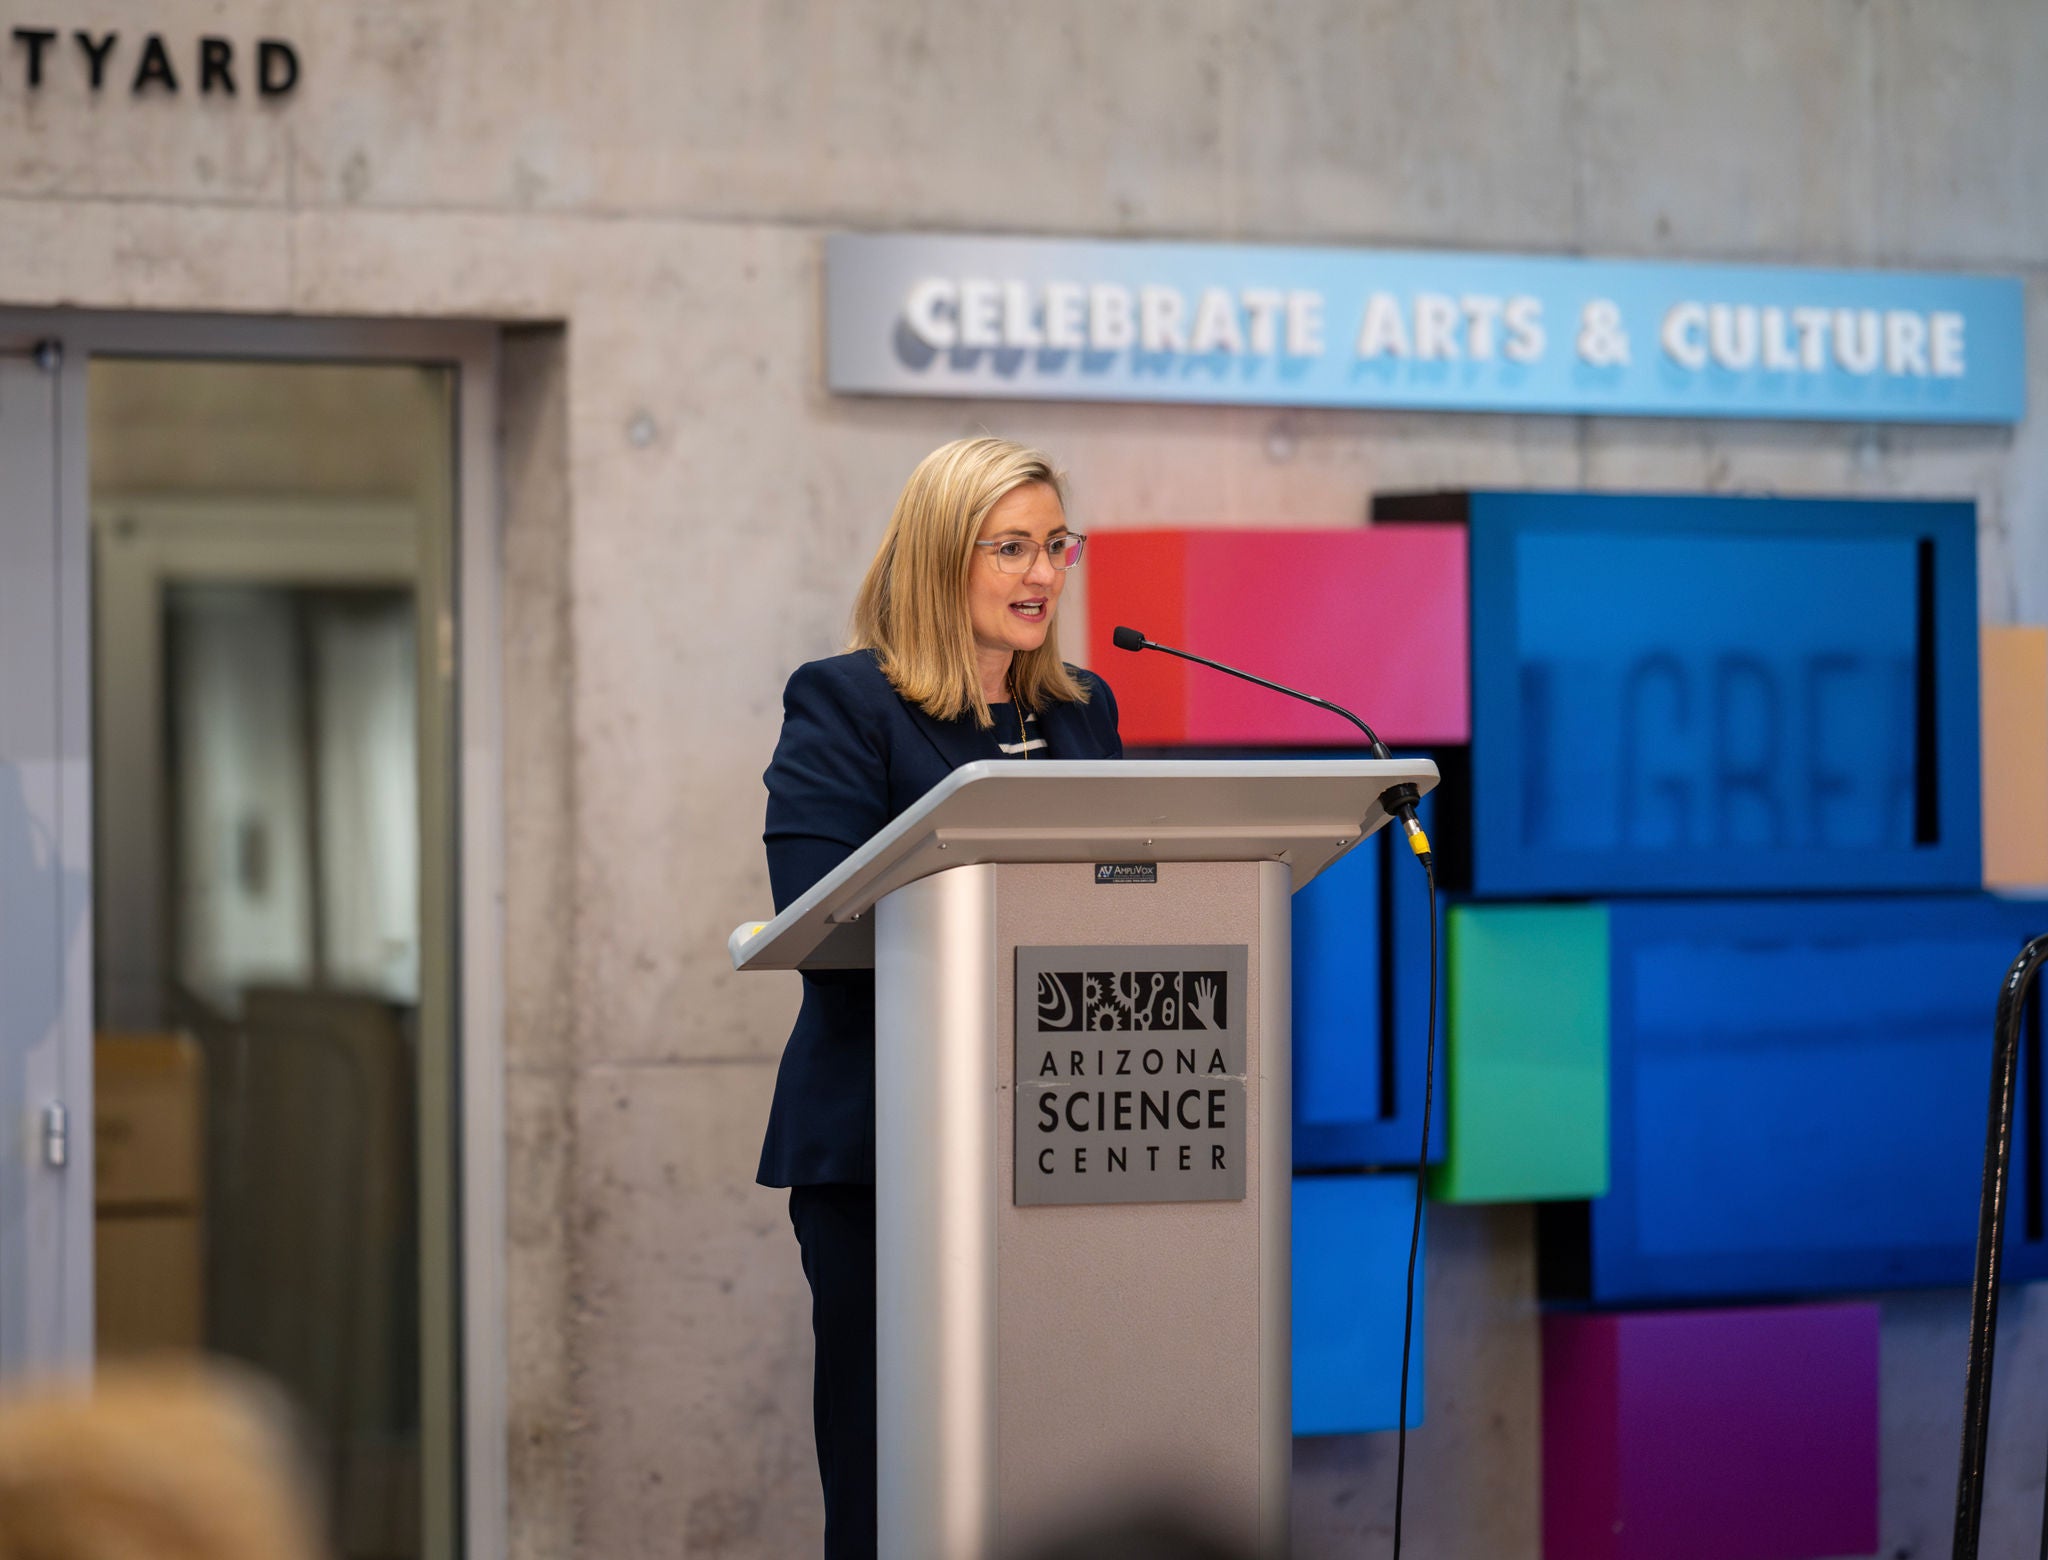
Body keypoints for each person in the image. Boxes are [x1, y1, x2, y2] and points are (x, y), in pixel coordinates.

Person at [757, 436, 1122, 1558]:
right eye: (1007, 547)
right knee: (895, 1480)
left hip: (1056, 1138)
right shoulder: (845, 703)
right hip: (888, 1150)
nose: (1039, 575)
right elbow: (820, 918)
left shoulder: (1081, 710)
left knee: (1051, 1468)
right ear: (935, 556)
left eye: (1053, 545)